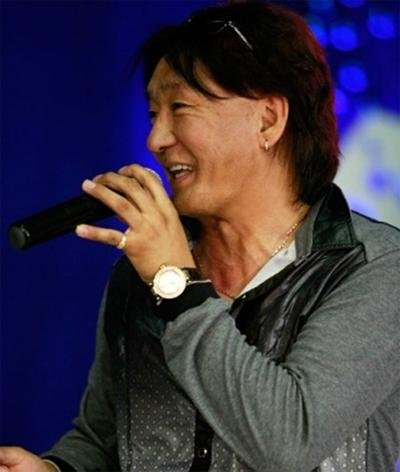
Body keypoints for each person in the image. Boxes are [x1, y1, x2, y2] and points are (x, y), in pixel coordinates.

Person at [1, 1, 399, 471]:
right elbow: (104, 439)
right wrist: (57, 469)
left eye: (180, 107)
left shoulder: (374, 267)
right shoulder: (143, 274)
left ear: (268, 119)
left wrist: (178, 286)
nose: (155, 140)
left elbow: (289, 441)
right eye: (153, 113)